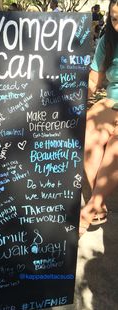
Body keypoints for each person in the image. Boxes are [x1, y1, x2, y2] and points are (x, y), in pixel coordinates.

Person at [79, 0, 118, 237]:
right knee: (85, 131)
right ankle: (99, 206)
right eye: (115, 18)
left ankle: (90, 208)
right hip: (112, 100)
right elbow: (94, 81)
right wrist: (74, 98)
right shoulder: (108, 41)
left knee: (115, 146)